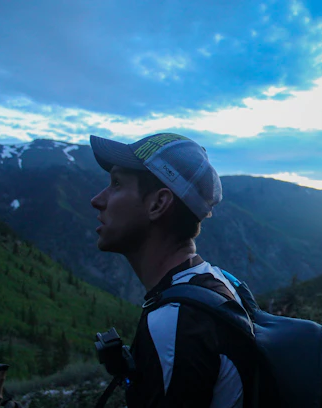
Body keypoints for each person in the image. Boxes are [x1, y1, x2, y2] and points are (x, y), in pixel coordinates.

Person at [89, 133, 257, 408]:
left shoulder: (175, 321)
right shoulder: (218, 281)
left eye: (116, 184)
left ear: (158, 204)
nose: (98, 200)